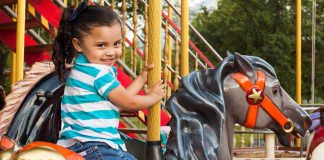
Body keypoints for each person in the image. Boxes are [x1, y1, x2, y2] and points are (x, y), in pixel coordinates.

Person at [51, 2, 165, 160]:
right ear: (78, 44)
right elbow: (129, 103)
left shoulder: (82, 69)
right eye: (101, 45)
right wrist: (153, 97)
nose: (111, 52)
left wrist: (140, 79)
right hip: (96, 145)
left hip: (80, 145)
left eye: (116, 43)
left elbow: (118, 100)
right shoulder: (98, 74)